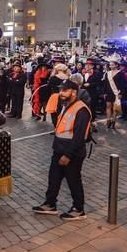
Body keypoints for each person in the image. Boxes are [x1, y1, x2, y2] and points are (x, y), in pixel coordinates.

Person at [32, 79, 91, 220]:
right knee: (54, 178)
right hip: (59, 149)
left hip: (72, 153)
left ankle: (78, 209)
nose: (61, 93)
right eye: (60, 90)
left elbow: (79, 136)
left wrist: (68, 155)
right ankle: (50, 204)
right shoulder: (66, 105)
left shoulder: (81, 109)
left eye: (65, 90)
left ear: (74, 92)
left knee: (73, 181)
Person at [102, 58, 127, 129]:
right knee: (108, 106)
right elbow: (105, 84)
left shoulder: (121, 73)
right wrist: (104, 92)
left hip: (117, 92)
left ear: (116, 65)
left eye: (112, 65)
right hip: (108, 92)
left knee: (115, 108)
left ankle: (113, 121)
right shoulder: (107, 73)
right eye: (110, 65)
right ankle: (108, 120)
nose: (111, 66)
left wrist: (121, 93)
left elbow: (123, 84)